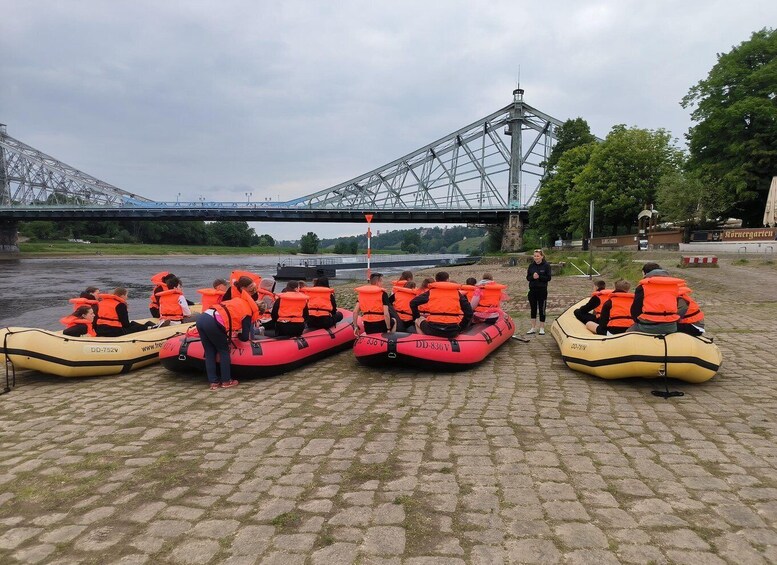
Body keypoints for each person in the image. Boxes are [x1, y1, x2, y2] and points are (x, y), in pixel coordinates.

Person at [196, 275, 258, 390]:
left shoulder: (236, 300)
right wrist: (239, 334)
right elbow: (245, 337)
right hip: (213, 322)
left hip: (203, 318)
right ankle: (226, 381)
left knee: (209, 352)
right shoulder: (248, 311)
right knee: (223, 351)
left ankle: (213, 382)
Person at [628, 263, 686, 335]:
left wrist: (637, 321)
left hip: (647, 325)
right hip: (670, 326)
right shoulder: (674, 286)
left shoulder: (643, 286)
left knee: (627, 334)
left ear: (644, 273)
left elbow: (636, 309)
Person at [410, 271, 473, 338]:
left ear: (436, 281)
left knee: (417, 320)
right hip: (452, 331)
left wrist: (417, 316)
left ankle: (425, 340)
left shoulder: (431, 292)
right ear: (448, 280)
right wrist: (461, 327)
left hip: (433, 329)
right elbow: (469, 312)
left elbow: (413, 303)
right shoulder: (457, 293)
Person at [526, 249, 552, 335]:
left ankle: (542, 328)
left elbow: (548, 278)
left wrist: (539, 277)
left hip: (542, 290)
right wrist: (533, 277)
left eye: (538, 256)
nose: (536, 257)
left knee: (542, 309)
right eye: (535, 256)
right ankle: (533, 327)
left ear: (542, 257)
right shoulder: (531, 266)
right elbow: (528, 278)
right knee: (533, 309)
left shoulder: (546, 265)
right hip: (532, 290)